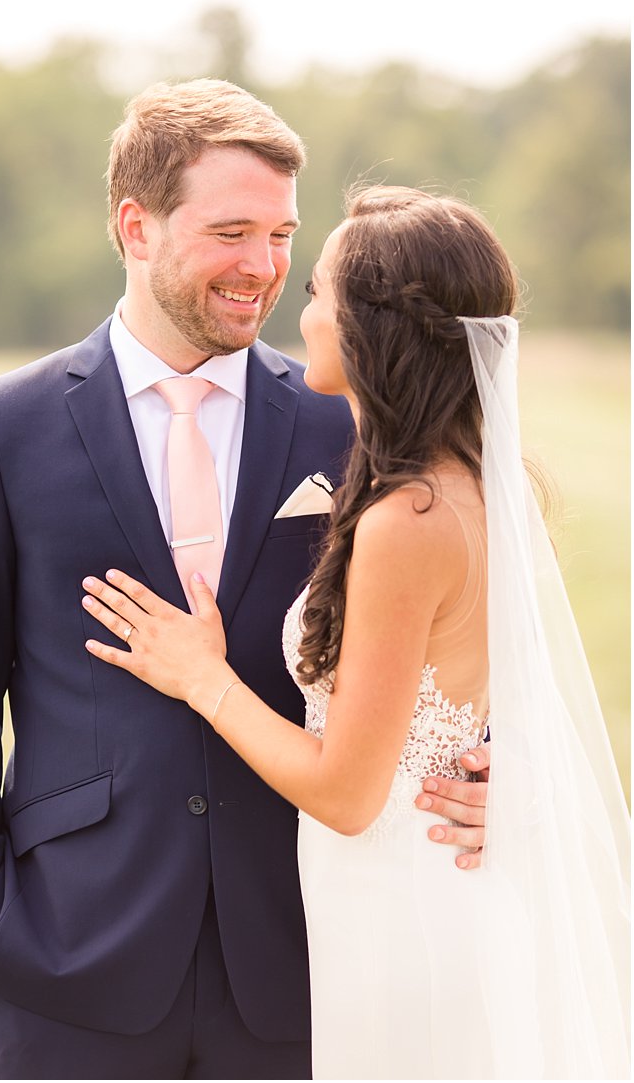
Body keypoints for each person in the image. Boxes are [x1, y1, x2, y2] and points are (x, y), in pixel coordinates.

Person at [0, 80, 492, 1078]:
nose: (263, 268)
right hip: (65, 951)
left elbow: (446, 624)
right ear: (135, 226)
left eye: (280, 235)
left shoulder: (342, 421)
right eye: (231, 231)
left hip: (301, 944)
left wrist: (490, 766)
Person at [82, 186, 630, 1078]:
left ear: (376, 325)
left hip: (402, 912)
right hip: (433, 886)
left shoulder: (407, 520)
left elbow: (346, 792)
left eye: (320, 289)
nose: (299, 304)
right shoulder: (482, 485)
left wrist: (203, 676)